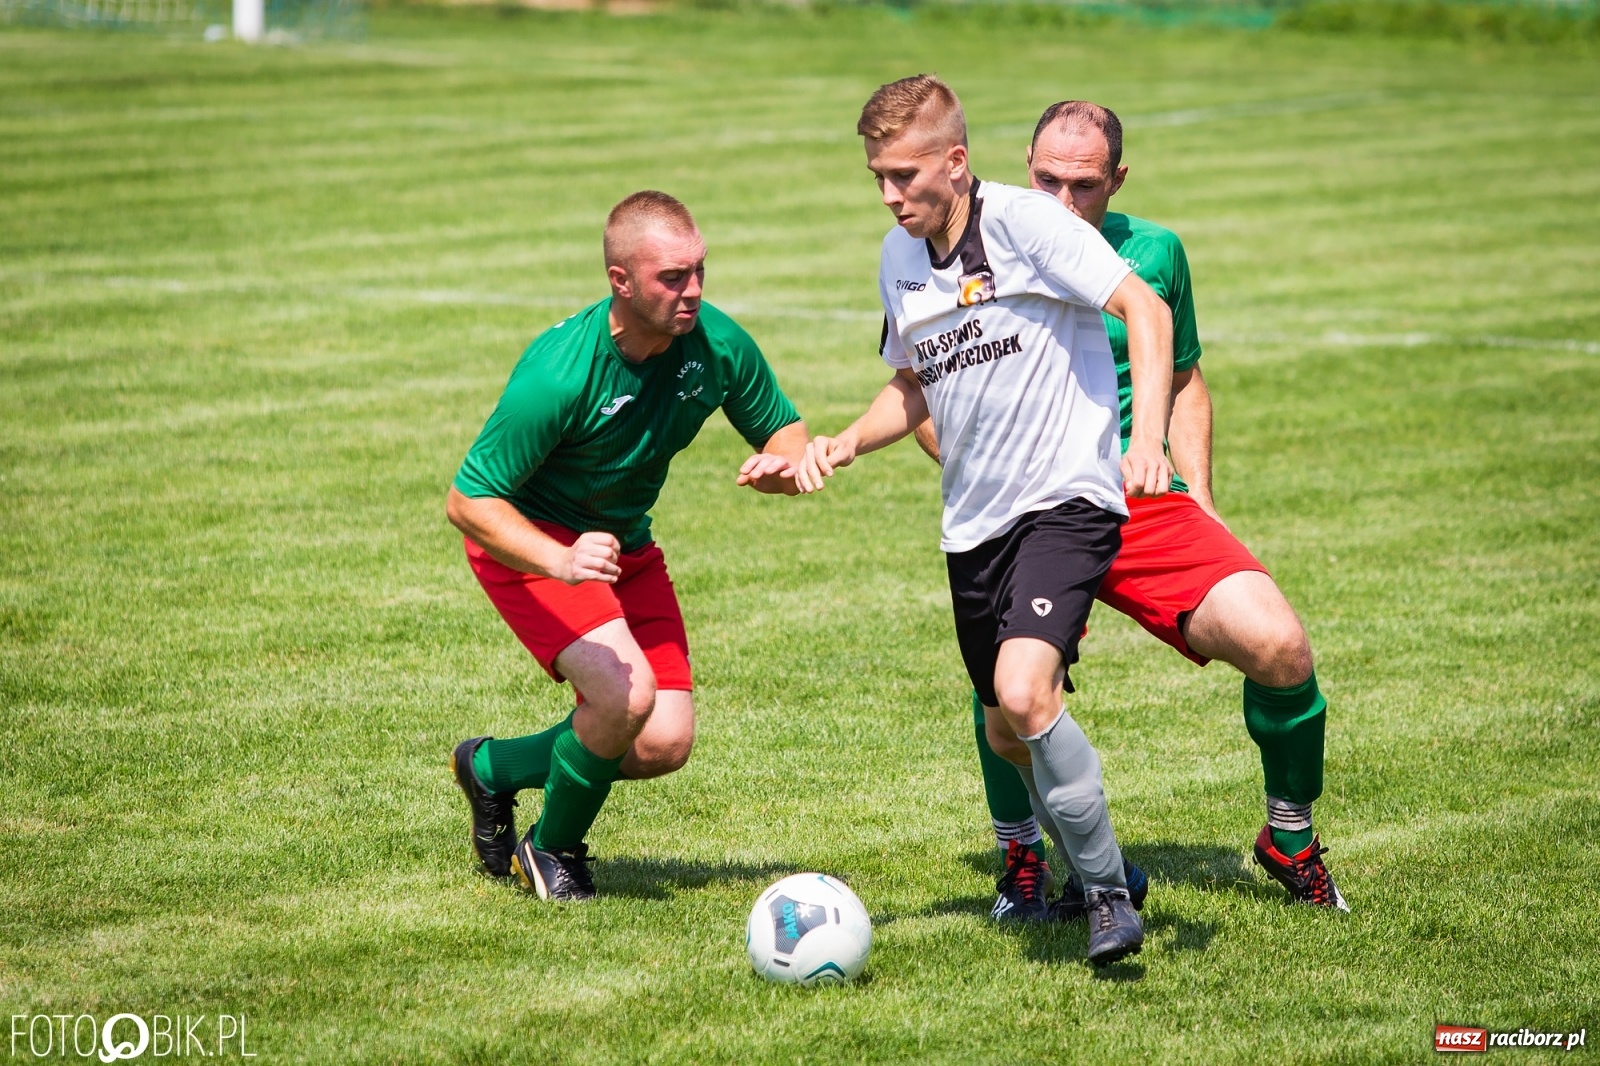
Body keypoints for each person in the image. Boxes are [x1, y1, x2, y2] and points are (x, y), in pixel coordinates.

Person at [921, 101, 1346, 920]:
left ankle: (1288, 834)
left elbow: (1183, 377)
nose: (1062, 201)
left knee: (1281, 646)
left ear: (1117, 180)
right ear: (1024, 164)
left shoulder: (1153, 253)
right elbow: (929, 385)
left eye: (1084, 185)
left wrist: (1205, 499)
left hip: (1144, 501)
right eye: (1046, 179)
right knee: (1010, 695)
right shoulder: (980, 245)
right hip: (1034, 502)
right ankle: (1021, 852)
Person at [800, 75, 1176, 965]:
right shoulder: (898, 258)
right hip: (973, 527)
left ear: (956, 161)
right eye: (878, 179)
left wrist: (1148, 436)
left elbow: (1145, 308)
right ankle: (1107, 864)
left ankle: (1108, 900)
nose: (891, 196)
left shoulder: (1025, 223)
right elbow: (915, 378)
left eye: (904, 175)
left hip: (1067, 500)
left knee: (1022, 691)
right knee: (1010, 732)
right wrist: (846, 441)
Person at [445, 190, 811, 902]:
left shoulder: (717, 345)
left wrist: (783, 466)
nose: (693, 290)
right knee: (624, 693)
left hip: (623, 549)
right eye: (672, 278)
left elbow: (785, 433)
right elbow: (468, 500)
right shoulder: (559, 372)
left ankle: (491, 769)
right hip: (532, 543)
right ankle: (551, 850)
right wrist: (557, 560)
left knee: (662, 741)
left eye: (699, 270)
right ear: (620, 282)